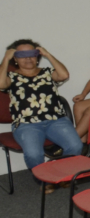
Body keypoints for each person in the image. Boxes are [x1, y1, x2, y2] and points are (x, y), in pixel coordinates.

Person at [1, 40, 82, 176]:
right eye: (22, 55)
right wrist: (5, 58)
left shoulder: (47, 73)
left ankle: (63, 173)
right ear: (15, 58)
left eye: (32, 54)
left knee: (76, 146)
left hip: (56, 120)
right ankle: (44, 179)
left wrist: (48, 54)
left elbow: (64, 75)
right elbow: (1, 84)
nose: (28, 58)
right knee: (33, 154)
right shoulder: (11, 76)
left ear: (37, 56)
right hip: (26, 124)